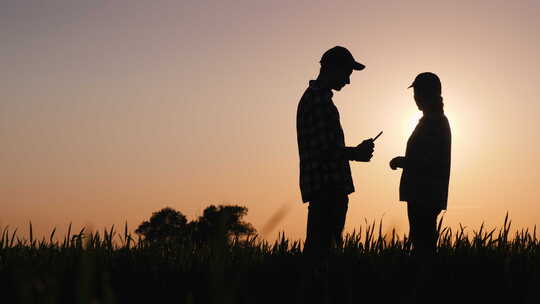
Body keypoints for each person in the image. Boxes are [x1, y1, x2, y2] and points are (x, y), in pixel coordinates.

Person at [296, 46, 375, 261]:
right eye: (347, 73)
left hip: (324, 188)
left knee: (321, 251)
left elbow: (325, 147)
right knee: (323, 254)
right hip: (328, 188)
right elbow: (325, 151)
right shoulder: (319, 101)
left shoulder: (317, 99)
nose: (348, 81)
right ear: (332, 69)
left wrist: (354, 153)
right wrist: (356, 153)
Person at [390, 72, 452, 258]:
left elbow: (430, 161)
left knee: (423, 248)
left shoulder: (434, 122)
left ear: (426, 94)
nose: (415, 98)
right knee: (423, 245)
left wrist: (403, 161)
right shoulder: (432, 120)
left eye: (417, 93)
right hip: (424, 194)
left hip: (425, 195)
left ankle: (424, 283)